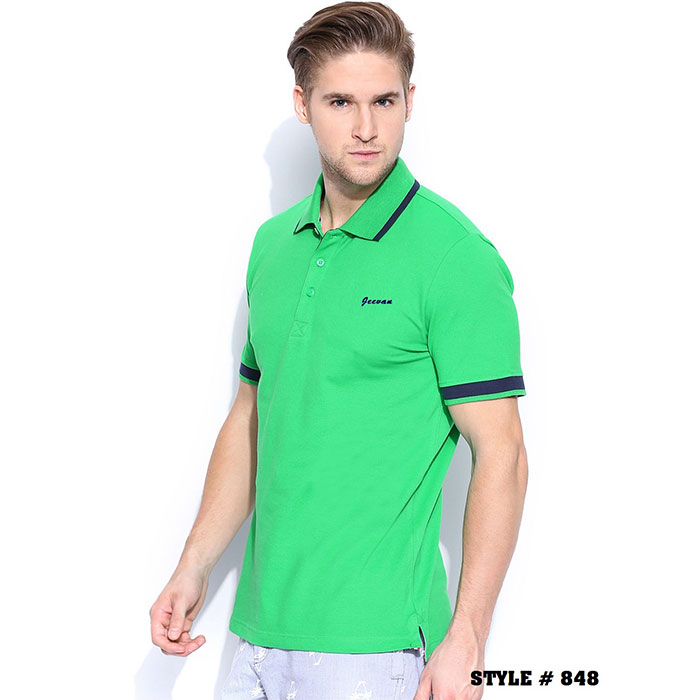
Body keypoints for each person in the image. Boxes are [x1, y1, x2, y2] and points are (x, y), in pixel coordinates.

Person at [150, 2, 529, 698]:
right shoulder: (272, 247)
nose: (366, 127)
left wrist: (469, 638)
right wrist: (194, 564)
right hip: (256, 638)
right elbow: (252, 415)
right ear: (303, 104)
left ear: (410, 100)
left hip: (375, 651)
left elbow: (501, 451)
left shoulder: (453, 257)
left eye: (384, 101)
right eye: (340, 102)